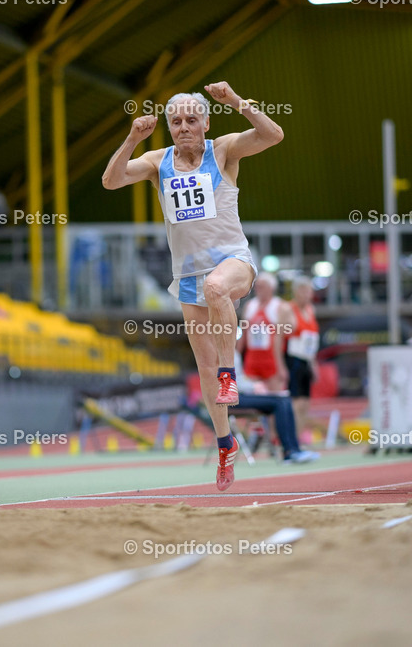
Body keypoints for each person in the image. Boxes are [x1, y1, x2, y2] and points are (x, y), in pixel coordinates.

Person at [102, 81, 284, 490]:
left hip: (233, 261)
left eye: (191, 119)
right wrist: (132, 137)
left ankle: (229, 372)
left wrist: (238, 100)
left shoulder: (224, 150)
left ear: (205, 122)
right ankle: (225, 444)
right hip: (186, 276)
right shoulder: (157, 160)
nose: (183, 126)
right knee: (202, 367)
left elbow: (274, 135)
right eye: (175, 121)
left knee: (218, 288)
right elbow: (111, 181)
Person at [234, 352, 318, 464]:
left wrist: (254, 386)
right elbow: (229, 382)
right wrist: (255, 386)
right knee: (280, 402)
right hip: (232, 398)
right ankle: (289, 451)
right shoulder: (221, 352)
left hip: (242, 393)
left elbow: (239, 379)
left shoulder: (233, 352)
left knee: (284, 399)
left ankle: (294, 448)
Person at [239, 273, 294, 393]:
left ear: (271, 288)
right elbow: (242, 335)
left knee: (274, 398)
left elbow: (284, 334)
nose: (258, 290)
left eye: (262, 286)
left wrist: (281, 366)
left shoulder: (280, 307)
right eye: (257, 286)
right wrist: (236, 358)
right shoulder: (250, 306)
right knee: (253, 400)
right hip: (252, 360)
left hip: (271, 361)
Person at [283, 276, 321, 441]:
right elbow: (280, 336)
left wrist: (314, 365)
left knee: (305, 403)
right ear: (297, 292)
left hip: (306, 359)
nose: (307, 295)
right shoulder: (288, 309)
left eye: (309, 291)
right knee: (295, 403)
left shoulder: (311, 310)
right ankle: (289, 439)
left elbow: (311, 341)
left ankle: (297, 439)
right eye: (304, 291)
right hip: (293, 359)